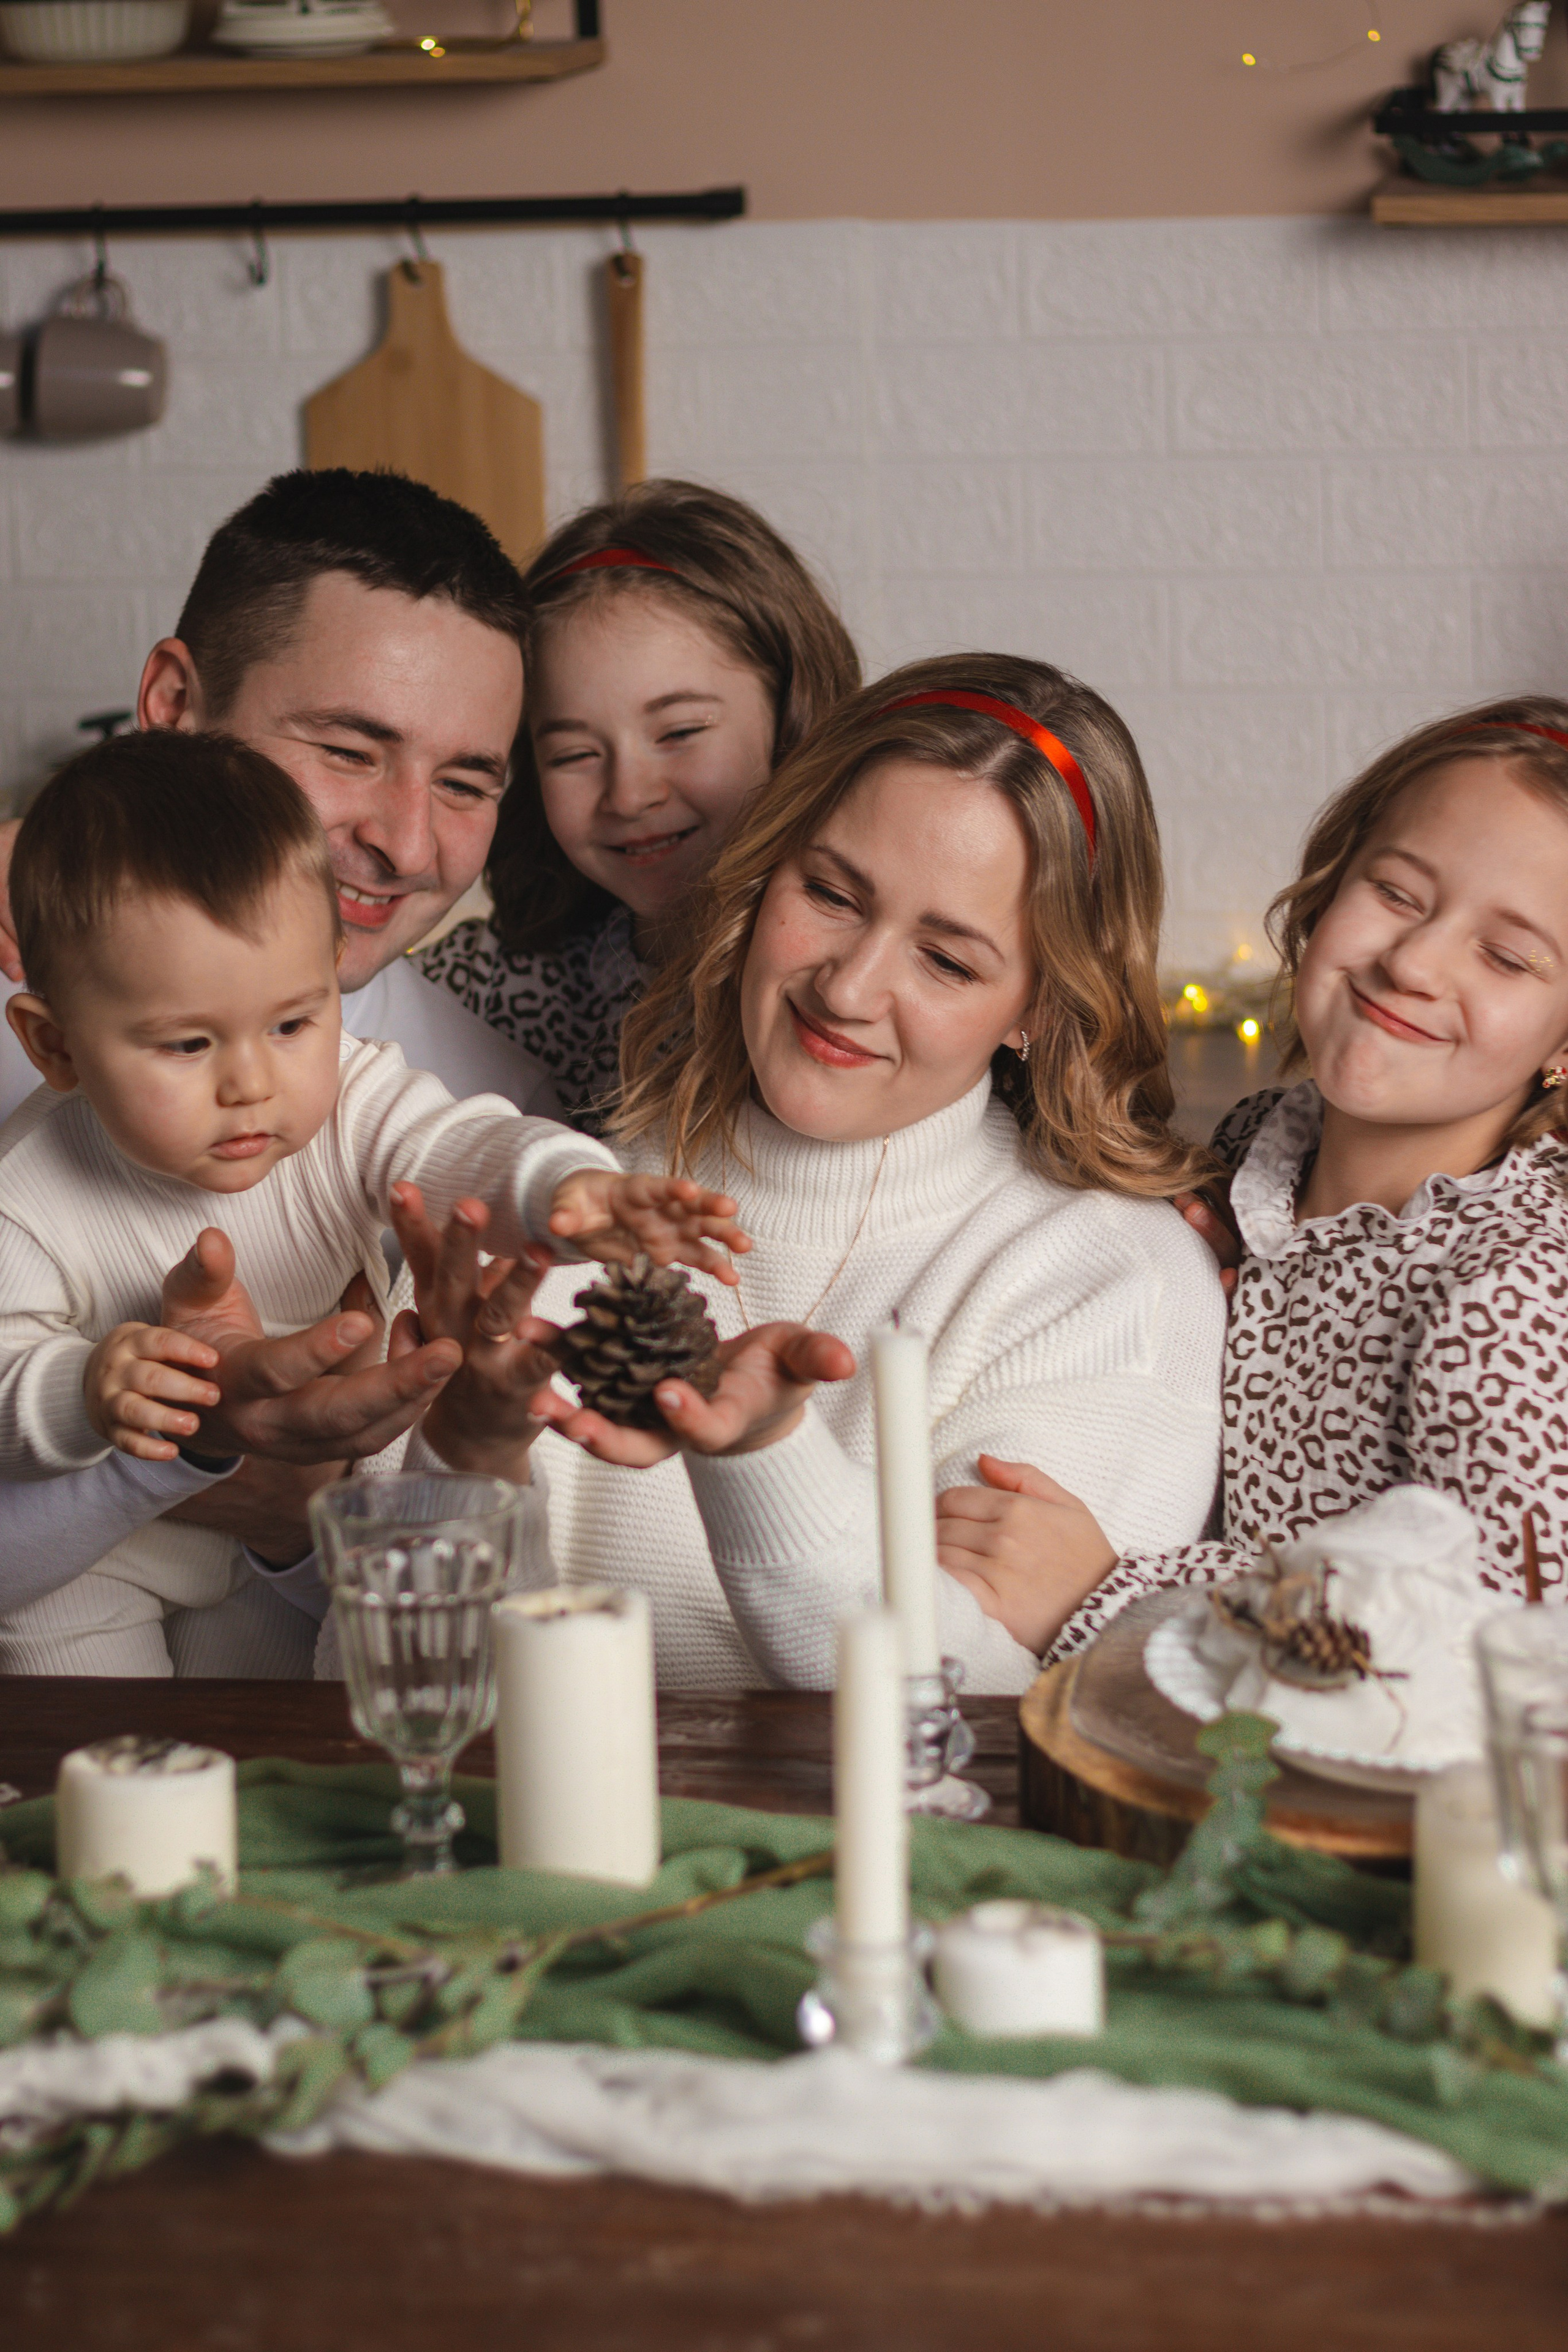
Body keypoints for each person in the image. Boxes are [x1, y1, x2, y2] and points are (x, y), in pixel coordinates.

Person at [344, 655, 1227, 1695]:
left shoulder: (1111, 1283)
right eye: (833, 893)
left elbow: (976, 1718)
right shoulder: (566, 1202)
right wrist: (469, 1458)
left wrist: (765, 1454)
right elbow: (388, 1701)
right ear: (765, 874)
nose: (849, 988)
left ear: (1039, 1008)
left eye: (946, 960)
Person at [0, 731, 745, 1675]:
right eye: (187, 1045)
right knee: (102, 1771)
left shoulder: (347, 1097)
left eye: (292, 1022)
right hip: (100, 1560)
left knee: (310, 1736)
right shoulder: (25, 1193)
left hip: (307, 1523)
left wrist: (566, 1185)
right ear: (54, 1046)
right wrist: (82, 1387)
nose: (251, 1084)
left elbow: (449, 1145)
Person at [0, 467, 559, 1599]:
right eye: (349, 750)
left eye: (464, 781)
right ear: (170, 705)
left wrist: (294, 1514)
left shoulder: (495, 1116)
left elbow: (464, 1580)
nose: (407, 843)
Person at [959, 698, 1568, 1645]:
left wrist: (1109, 1591)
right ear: (1329, 888)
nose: (1413, 960)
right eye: (1398, 894)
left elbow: (1489, 1641)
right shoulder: (1258, 1146)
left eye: (1506, 955)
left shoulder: (1509, 1297)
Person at [421, 480, 862, 1130]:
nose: (629, 796)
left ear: (790, 718)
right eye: (573, 755)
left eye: (679, 733)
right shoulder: (479, 989)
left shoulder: (848, 992)